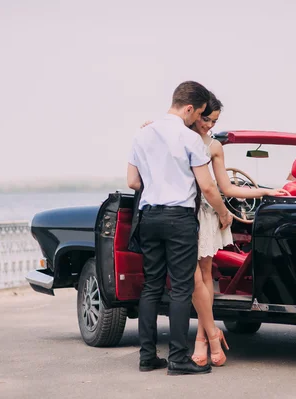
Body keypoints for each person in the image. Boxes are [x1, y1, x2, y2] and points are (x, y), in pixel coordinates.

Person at [141, 92, 290, 367]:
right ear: (195, 113)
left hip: (205, 213)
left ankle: (200, 336)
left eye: (214, 120)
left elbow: (226, 187)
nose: (209, 125)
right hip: (182, 213)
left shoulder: (214, 146)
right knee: (192, 278)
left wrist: (265, 191)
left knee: (205, 275)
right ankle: (211, 334)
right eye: (206, 118)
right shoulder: (174, 136)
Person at [127, 81, 233, 376]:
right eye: (198, 113)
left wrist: (158, 184)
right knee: (182, 288)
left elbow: (132, 182)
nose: (197, 119)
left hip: (148, 217)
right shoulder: (189, 139)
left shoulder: (142, 134)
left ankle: (147, 357)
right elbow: (209, 188)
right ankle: (178, 359)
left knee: (151, 286)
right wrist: (225, 214)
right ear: (189, 108)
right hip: (179, 219)